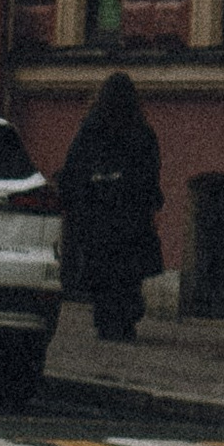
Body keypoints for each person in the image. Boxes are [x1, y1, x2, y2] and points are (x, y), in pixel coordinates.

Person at [59, 70, 165, 343]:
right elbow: (150, 174)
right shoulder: (141, 132)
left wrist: (77, 202)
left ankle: (106, 321)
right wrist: (149, 203)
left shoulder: (91, 129)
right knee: (128, 275)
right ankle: (125, 321)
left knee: (102, 272)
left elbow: (74, 170)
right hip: (130, 218)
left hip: (97, 217)